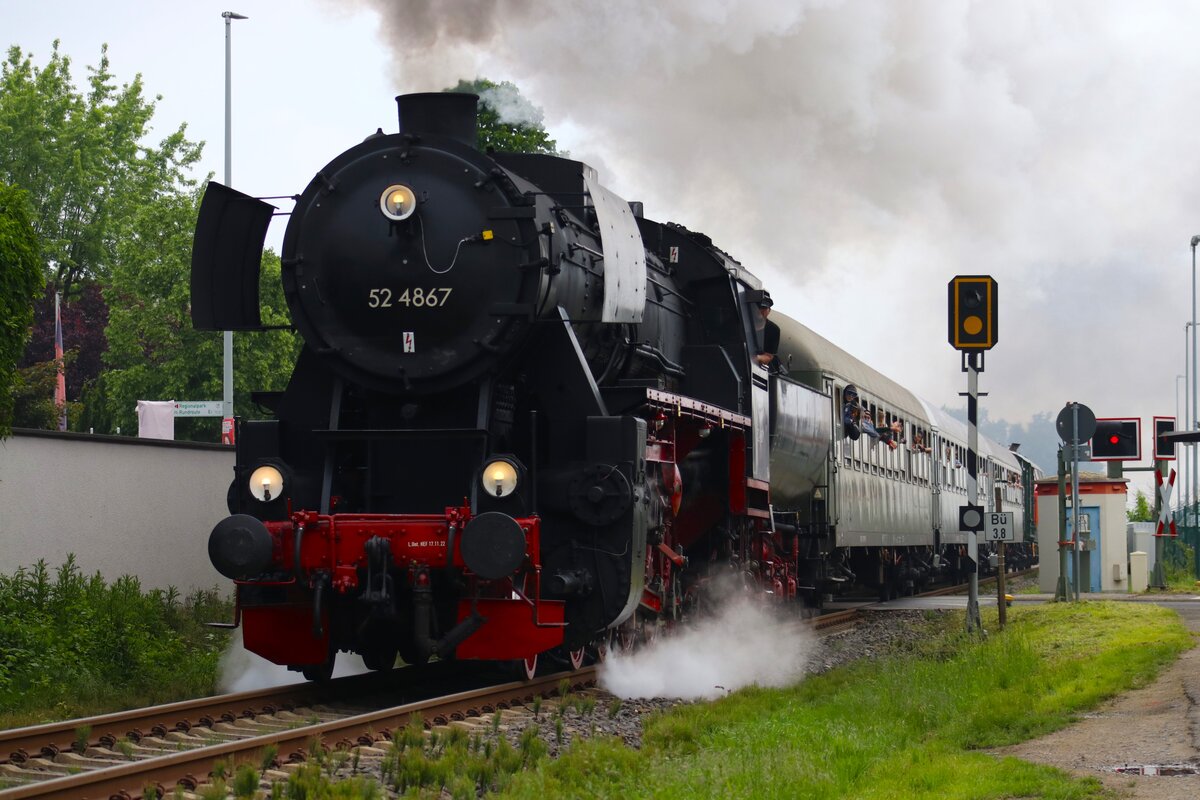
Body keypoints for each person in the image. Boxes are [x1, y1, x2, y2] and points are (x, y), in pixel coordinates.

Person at [755, 292, 780, 370]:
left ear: (769, 310)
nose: (760, 310)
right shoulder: (742, 324)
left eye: (764, 308)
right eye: (758, 307)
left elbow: (769, 356)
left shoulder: (773, 329)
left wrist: (757, 358)